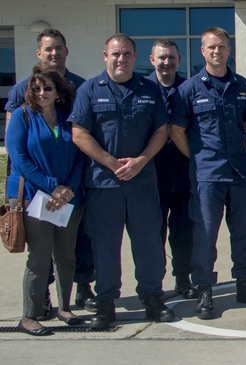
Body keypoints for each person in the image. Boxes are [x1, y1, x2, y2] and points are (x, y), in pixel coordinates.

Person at [70, 34, 171, 328]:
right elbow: (79, 133)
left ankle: (152, 298)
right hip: (104, 185)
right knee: (105, 246)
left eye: (127, 54)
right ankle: (105, 303)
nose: (121, 59)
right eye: (116, 54)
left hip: (141, 182)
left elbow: (161, 130)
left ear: (135, 56)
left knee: (149, 243)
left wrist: (140, 161)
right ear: (105, 55)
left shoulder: (149, 90)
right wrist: (111, 163)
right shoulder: (90, 89)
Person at [171, 27, 246, 320]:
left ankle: (244, 282)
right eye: (212, 47)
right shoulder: (188, 89)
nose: (217, 51)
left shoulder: (240, 85)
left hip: (240, 172)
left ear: (229, 50)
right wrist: (200, 158)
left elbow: (243, 124)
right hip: (207, 176)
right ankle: (204, 290)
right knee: (205, 235)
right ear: (202, 51)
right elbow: (177, 132)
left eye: (222, 47)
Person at [5, 28, 93, 311]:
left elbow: (81, 139)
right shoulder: (22, 92)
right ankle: (39, 299)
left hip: (70, 187)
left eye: (58, 48)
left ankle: (80, 290)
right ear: (39, 53)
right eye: (48, 48)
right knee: (41, 253)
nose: (53, 53)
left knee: (75, 245)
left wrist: (66, 187)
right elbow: (17, 147)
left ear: (66, 51)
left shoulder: (80, 87)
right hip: (35, 190)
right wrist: (48, 185)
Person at [146, 39, 195, 300]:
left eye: (171, 58)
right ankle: (154, 283)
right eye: (161, 57)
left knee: (183, 231)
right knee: (153, 233)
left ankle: (182, 278)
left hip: (183, 172)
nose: (167, 62)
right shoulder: (142, 88)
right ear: (151, 60)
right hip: (150, 175)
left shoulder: (188, 88)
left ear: (179, 59)